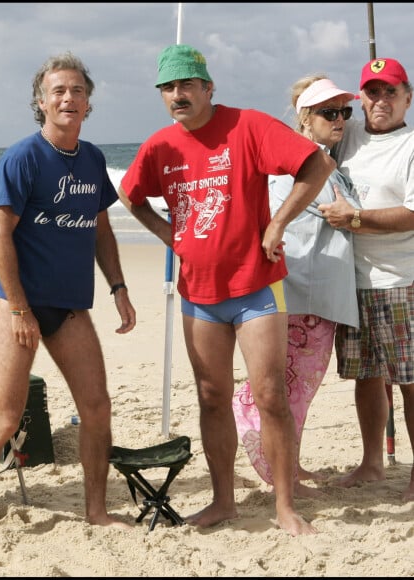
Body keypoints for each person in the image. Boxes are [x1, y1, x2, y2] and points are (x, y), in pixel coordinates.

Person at [118, 44, 336, 536]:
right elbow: (129, 195)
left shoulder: (248, 126)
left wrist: (278, 222)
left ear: (208, 88)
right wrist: (168, 234)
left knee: (269, 394)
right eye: (169, 87)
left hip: (256, 286)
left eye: (188, 85)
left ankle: (284, 504)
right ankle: (223, 502)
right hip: (198, 293)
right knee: (212, 396)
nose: (178, 94)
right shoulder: (160, 146)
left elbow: (316, 166)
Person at [0, 51, 136, 556]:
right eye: (58, 91)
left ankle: (95, 509)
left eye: (76, 90)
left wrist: (118, 287)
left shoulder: (93, 159)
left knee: (97, 409)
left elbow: (100, 227)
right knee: (5, 417)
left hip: (71, 307)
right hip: (20, 306)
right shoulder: (23, 157)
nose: (68, 98)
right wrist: (18, 308)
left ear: (88, 103)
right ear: (41, 102)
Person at [231, 76, 361, 497]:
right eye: (329, 113)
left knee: (297, 389)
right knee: (292, 388)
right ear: (306, 119)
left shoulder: (323, 161)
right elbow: (278, 216)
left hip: (317, 294)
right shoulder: (302, 165)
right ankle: (278, 471)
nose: (339, 119)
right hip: (303, 293)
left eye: (345, 111)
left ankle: (290, 463)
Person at [317, 57, 414, 502]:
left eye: (391, 91)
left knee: (410, 380)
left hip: (401, 279)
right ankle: (372, 462)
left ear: (407, 98)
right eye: (372, 92)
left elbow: (412, 214)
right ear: (360, 98)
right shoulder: (348, 132)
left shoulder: (411, 144)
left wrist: (355, 217)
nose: (381, 100)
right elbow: (311, 127)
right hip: (352, 278)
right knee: (367, 375)